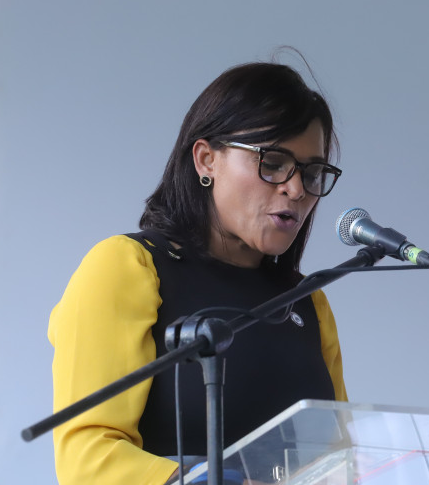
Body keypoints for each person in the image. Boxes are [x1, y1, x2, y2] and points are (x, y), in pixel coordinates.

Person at [48, 59, 348, 485]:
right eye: (273, 162)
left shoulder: (308, 303)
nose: (297, 189)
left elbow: (341, 463)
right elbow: (87, 455)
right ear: (207, 160)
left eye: (312, 172)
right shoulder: (128, 268)